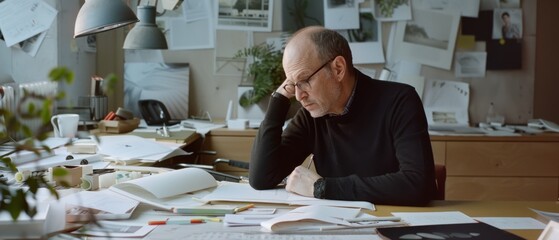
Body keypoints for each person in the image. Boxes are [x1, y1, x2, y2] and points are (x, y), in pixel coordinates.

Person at [249, 26, 436, 206]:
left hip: (393, 223)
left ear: (338, 68)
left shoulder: (400, 101)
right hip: (336, 225)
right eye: (292, 84)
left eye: (304, 80)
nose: (298, 96)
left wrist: (323, 188)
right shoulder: (312, 115)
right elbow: (262, 177)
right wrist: (279, 99)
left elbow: (418, 184)